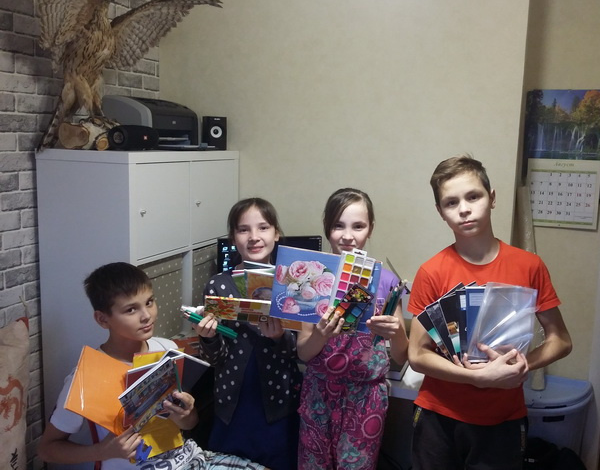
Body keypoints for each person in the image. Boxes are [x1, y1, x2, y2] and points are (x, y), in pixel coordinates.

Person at [407, 155, 573, 470]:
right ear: (441, 212)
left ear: (492, 198)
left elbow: (561, 340)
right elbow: (417, 354)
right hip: (438, 416)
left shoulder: (529, 266)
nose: (464, 209)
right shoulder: (432, 272)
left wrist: (522, 366)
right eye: (451, 202)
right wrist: (476, 377)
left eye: (473, 196)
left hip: (503, 419)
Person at [37, 262, 264, 470]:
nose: (147, 315)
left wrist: (186, 414)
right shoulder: (85, 378)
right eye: (131, 310)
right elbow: (47, 450)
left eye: (149, 302)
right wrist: (102, 451)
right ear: (102, 319)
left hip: (190, 459)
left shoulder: (167, 349)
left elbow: (189, 423)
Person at [296, 187, 409, 470]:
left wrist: (396, 331)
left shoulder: (387, 281)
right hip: (318, 394)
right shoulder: (311, 278)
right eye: (338, 225)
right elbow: (304, 353)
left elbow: (402, 355)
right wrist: (321, 335)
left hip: (366, 398)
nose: (348, 236)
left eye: (358, 226)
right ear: (327, 228)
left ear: (370, 229)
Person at [192, 198, 302, 470]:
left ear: (276, 233)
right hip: (232, 403)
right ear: (233, 238)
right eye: (243, 230)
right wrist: (207, 337)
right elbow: (215, 358)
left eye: (263, 228)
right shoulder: (218, 285)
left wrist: (279, 338)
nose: (254, 237)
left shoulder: (293, 284)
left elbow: (301, 351)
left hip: (279, 401)